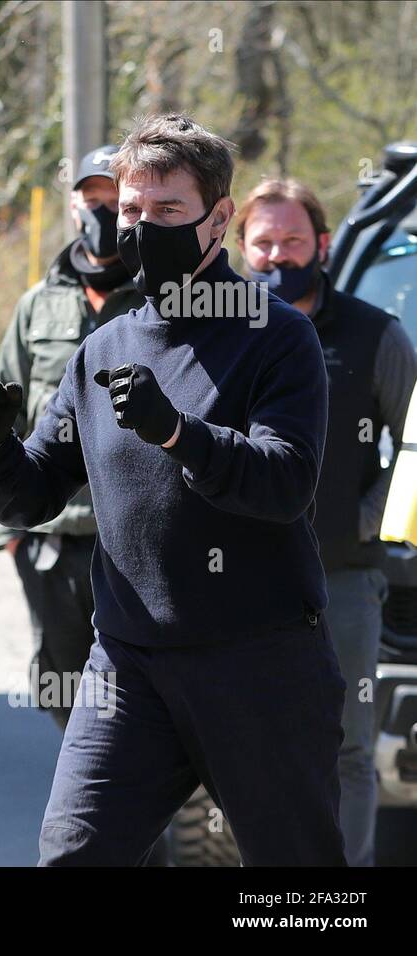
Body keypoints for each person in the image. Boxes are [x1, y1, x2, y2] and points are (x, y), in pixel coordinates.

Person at [0, 113, 347, 866]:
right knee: (72, 855)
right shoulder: (104, 348)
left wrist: (179, 432)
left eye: (168, 212)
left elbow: (286, 481)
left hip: (260, 665)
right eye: (133, 211)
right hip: (129, 666)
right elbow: (29, 497)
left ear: (219, 219)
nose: (140, 228)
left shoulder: (277, 336)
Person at [237, 178, 417, 866]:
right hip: (239, 584)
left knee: (345, 748)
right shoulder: (220, 334)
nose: (278, 256)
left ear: (323, 245)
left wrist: (374, 518)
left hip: (342, 580)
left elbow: (416, 440)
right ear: (242, 249)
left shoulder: (375, 334)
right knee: (247, 749)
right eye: (263, 244)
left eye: (292, 241)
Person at [0, 144, 144, 727]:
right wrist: (12, 533)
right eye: (91, 200)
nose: (102, 213)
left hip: (131, 535)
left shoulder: (161, 299)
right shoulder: (38, 305)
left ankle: (155, 813)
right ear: (75, 206)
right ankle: (105, 803)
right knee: (60, 684)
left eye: (115, 201)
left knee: (140, 687)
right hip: (52, 540)